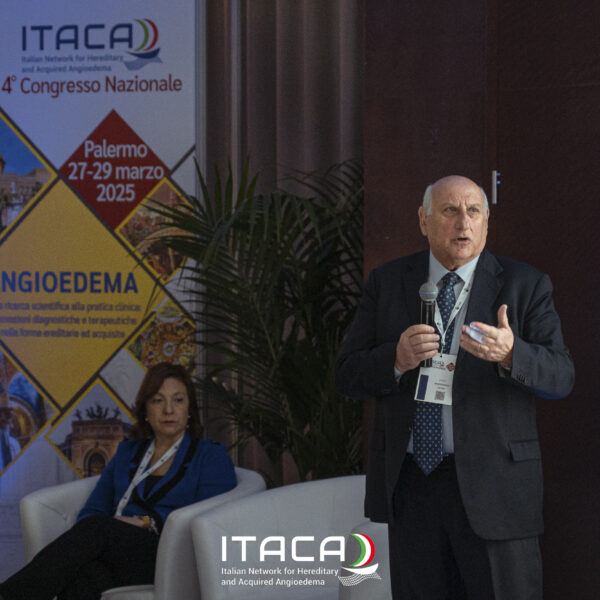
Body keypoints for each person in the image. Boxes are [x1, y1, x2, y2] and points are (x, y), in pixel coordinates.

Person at [335, 175, 574, 599]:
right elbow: (347, 375)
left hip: (495, 486)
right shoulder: (388, 282)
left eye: (473, 211)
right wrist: (395, 360)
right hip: (413, 485)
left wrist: (511, 354)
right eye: (449, 211)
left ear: (486, 221)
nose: (463, 222)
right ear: (423, 220)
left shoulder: (525, 284)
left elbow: (561, 377)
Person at [0, 362, 237, 600]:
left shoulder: (210, 456)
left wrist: (146, 522)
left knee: (98, 529)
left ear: (189, 409)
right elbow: (93, 510)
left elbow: (210, 519)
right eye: (158, 400)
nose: (168, 410)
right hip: (118, 551)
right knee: (85, 575)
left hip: (172, 555)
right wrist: (104, 536)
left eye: (178, 400)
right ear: (145, 410)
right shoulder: (127, 453)